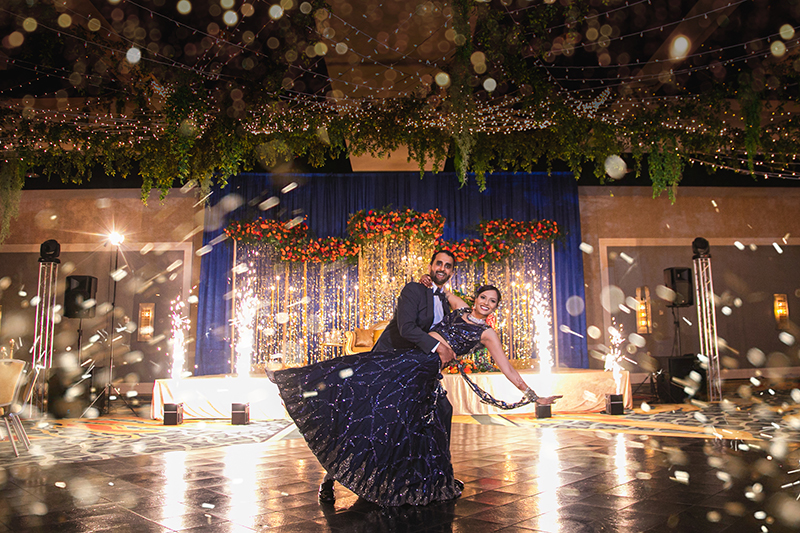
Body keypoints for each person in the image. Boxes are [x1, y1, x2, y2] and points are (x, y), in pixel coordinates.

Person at [270, 284, 560, 507]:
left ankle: (424, 479)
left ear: (496, 307)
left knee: (409, 420)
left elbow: (507, 368)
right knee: (361, 383)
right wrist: (426, 281)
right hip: (409, 358)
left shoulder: (487, 334)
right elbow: (441, 287)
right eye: (483, 297)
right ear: (475, 298)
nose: (486, 303)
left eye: (492, 301)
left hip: (425, 369)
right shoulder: (459, 308)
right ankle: (296, 383)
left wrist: (533, 396)